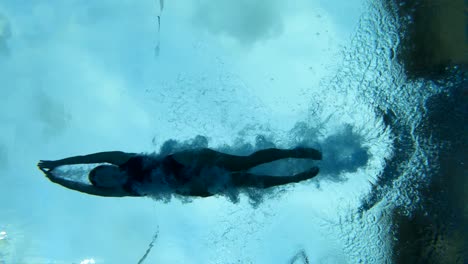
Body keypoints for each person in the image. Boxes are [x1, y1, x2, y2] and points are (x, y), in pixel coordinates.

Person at [38, 147, 322, 198]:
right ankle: (293, 178)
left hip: (181, 163)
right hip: (184, 185)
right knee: (242, 182)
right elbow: (82, 189)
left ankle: (292, 152)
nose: (110, 178)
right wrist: (57, 181)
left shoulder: (121, 160)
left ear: (110, 168)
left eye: (106, 173)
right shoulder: (121, 191)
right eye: (104, 182)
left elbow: (89, 157)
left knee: (243, 163)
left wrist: (58, 164)